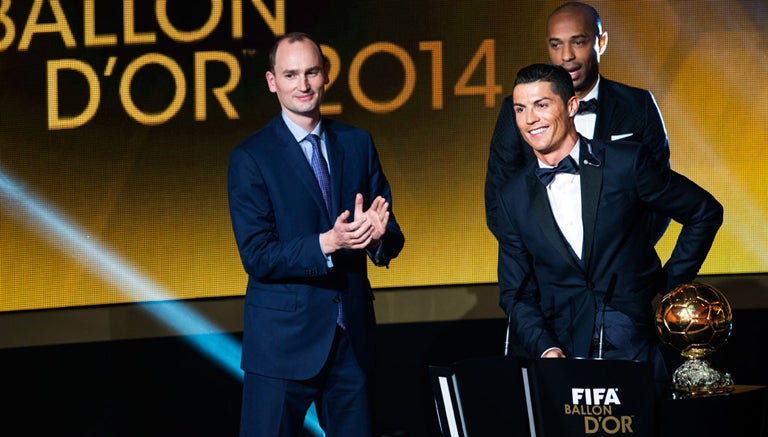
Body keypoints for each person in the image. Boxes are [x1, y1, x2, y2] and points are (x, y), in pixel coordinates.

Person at [496, 63, 722, 389]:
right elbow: (514, 292)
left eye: (541, 105)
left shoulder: (624, 163)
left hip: (632, 344)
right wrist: (545, 348)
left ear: (571, 105)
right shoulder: (511, 195)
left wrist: (669, 287)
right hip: (561, 355)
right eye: (520, 108)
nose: (529, 119)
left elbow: (704, 211)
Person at [227, 32, 405, 436]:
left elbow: (389, 231)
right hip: (281, 345)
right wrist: (329, 243)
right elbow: (257, 255)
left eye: (311, 72)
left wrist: (376, 238)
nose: (303, 85)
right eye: (290, 75)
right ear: (272, 81)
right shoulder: (251, 158)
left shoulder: (356, 143)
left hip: (351, 339)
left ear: (325, 74)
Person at [485, 1, 670, 240]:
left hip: (622, 270)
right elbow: (498, 198)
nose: (566, 55)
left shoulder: (638, 104)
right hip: (547, 272)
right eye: (556, 44)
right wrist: (537, 261)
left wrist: (629, 257)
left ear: (600, 42)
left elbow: (661, 195)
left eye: (578, 42)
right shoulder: (517, 109)